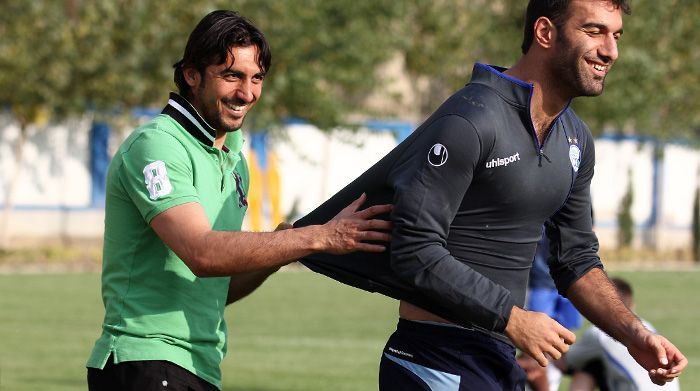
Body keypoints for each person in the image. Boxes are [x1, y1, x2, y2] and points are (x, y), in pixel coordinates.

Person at [293, 0, 686, 389]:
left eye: (615, 35)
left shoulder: (576, 139)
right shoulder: (472, 117)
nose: (610, 50)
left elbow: (576, 260)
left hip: (496, 358)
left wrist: (635, 335)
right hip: (435, 360)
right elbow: (414, 248)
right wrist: (513, 318)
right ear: (545, 33)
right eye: (594, 31)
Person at [85, 10, 392, 391]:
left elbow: (218, 285)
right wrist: (317, 237)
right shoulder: (157, 146)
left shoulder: (234, 158)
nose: (246, 93)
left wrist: (286, 246)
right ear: (191, 74)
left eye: (256, 78)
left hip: (198, 367)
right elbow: (203, 254)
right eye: (231, 75)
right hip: (145, 359)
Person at [556, 278, 681, 391]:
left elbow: (564, 363)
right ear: (632, 305)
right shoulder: (647, 328)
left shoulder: (598, 334)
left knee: (589, 367)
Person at [518, 231, 584, 391]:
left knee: (564, 338)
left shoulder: (581, 205)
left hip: (570, 280)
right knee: (537, 339)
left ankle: (551, 383)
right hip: (541, 280)